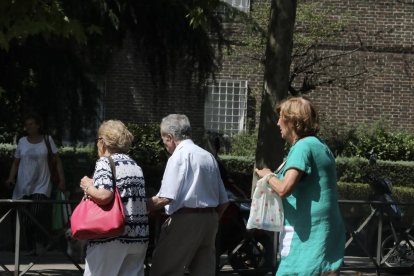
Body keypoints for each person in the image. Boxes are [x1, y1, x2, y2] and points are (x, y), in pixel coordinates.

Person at [255, 96, 345, 275]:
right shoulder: (321, 145)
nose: (278, 122)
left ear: (292, 121)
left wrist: (267, 175)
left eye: (281, 117)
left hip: (306, 232)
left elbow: (284, 189)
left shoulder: (302, 147)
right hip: (326, 228)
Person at [147, 114, 229, 276]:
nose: (165, 146)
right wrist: (210, 218)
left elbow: (165, 197)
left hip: (185, 219)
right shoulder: (208, 156)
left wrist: (139, 205)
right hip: (210, 220)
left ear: (169, 137)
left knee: (163, 270)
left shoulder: (178, 156)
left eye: (164, 141)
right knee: (203, 272)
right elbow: (224, 201)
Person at [79, 120, 149, 276]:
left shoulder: (105, 162)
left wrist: (88, 186)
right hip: (138, 237)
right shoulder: (134, 165)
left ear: (103, 142)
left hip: (111, 238)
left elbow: (104, 195)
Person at [5, 113, 65, 255]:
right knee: (26, 218)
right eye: (27, 124)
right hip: (23, 185)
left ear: (38, 125)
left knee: (36, 213)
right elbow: (16, 162)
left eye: (31, 124)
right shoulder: (22, 142)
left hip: (42, 184)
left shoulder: (47, 140)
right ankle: (32, 247)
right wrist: (10, 178)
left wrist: (62, 180)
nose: (28, 127)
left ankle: (42, 241)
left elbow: (57, 161)